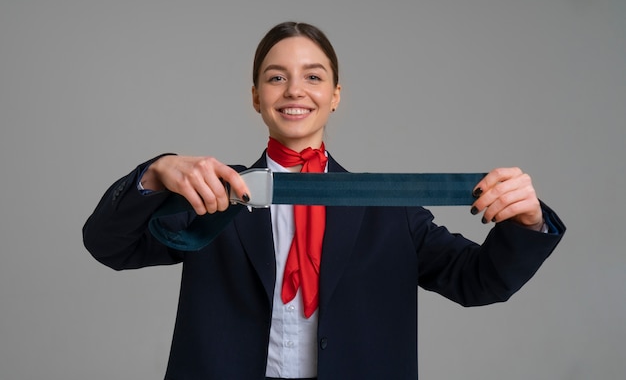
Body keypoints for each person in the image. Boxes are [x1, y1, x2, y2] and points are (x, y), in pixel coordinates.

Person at [83, 21, 565, 380]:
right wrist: (153, 172)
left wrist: (526, 222)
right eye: (276, 78)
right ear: (256, 97)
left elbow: (478, 281)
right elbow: (110, 246)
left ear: (336, 95)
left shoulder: (385, 207)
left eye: (313, 77)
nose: (294, 89)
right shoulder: (213, 192)